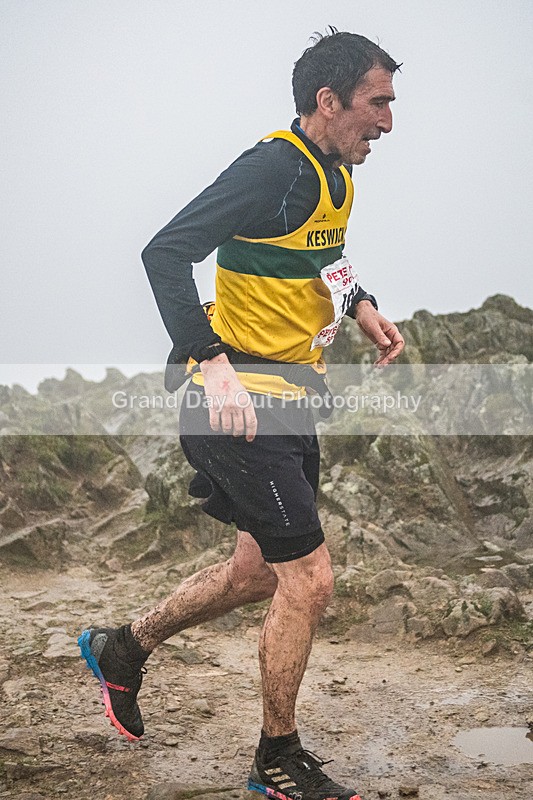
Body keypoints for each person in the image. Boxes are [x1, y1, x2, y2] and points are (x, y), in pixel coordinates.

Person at [78, 28, 404, 800]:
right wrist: (212, 361)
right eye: (377, 103)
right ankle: (276, 760)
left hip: (289, 398)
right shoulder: (271, 169)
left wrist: (360, 305)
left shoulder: (333, 173)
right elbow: (165, 252)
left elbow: (321, 252)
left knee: (258, 573)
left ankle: (125, 647)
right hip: (232, 400)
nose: (387, 122)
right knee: (309, 580)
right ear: (327, 102)